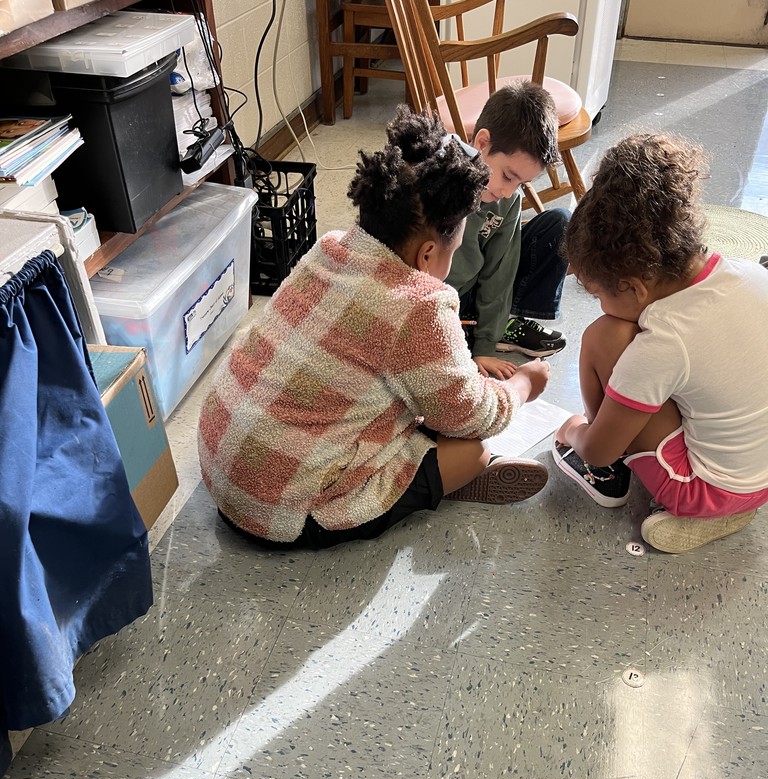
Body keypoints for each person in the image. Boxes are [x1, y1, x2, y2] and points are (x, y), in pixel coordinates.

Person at [198, 107, 551, 550]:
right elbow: (472, 414)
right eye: (453, 249)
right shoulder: (420, 304)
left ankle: (434, 468)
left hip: (220, 461)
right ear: (427, 255)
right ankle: (447, 480)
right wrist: (521, 386)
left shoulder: (330, 247)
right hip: (282, 512)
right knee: (470, 447)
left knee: (412, 396)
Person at [552, 132, 768, 553]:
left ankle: (710, 516)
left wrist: (575, 431)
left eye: (599, 295)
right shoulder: (751, 273)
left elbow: (597, 450)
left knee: (603, 337)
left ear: (634, 287)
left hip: (709, 490)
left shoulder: (665, 341)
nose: (599, 304)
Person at [446, 80, 570, 380]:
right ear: (481, 143)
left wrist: (485, 347)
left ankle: (499, 326)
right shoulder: (440, 176)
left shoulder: (507, 199)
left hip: (473, 295)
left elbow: (500, 271)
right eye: (507, 176)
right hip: (441, 296)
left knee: (560, 224)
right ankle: (479, 326)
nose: (507, 190)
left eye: (520, 183)